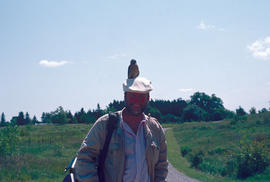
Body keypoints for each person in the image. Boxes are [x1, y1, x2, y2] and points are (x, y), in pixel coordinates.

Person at [74, 60, 168, 182]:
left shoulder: (155, 128)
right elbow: (84, 158)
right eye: (133, 96)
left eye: (141, 97)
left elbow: (161, 165)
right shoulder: (106, 124)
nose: (136, 101)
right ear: (125, 96)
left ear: (148, 98)